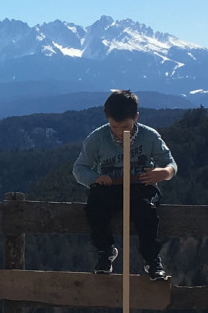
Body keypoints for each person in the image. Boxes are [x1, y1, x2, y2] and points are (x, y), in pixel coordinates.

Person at [72, 89, 177, 279]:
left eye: (126, 127)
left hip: (142, 184)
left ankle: (152, 260)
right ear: (107, 120)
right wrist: (95, 178)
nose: (120, 133)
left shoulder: (150, 136)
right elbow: (79, 169)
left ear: (136, 117)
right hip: (110, 186)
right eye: (114, 127)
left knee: (146, 210)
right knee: (94, 208)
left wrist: (164, 173)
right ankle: (106, 252)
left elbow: (171, 164)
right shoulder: (97, 138)